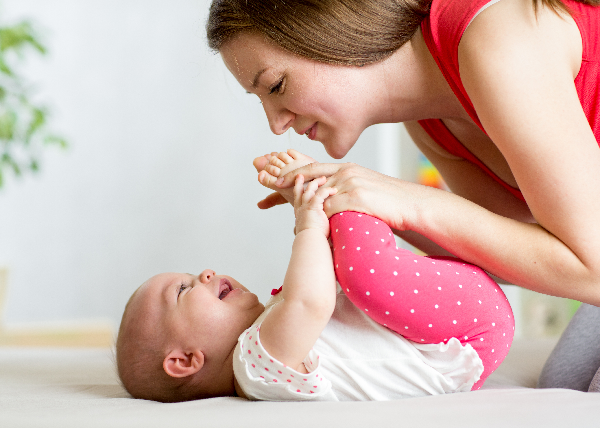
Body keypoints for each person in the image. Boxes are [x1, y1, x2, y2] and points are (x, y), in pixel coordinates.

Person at [206, 0, 600, 391]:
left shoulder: (494, 39)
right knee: (566, 377)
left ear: (333, 30)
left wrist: (410, 203)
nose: (276, 124)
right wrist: (352, 204)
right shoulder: (429, 124)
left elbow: (592, 271)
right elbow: (517, 258)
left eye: (276, 85)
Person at [116, 150, 514, 402]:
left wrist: (305, 211)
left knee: (345, 272)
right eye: (183, 289)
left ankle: (337, 195)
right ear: (185, 360)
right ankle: (341, 193)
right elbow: (312, 301)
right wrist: (308, 221)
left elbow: (312, 287)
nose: (204, 272)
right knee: (361, 276)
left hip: (457, 327)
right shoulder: (254, 365)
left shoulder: (267, 341)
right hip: (466, 334)